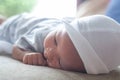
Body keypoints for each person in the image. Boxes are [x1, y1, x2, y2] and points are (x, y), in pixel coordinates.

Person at [0, 13, 120, 74]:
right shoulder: (42, 35)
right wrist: (24, 54)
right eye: (55, 41)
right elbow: (16, 47)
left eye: (60, 61)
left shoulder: (63, 39)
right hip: (16, 25)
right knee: (3, 24)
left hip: (27, 19)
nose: (49, 52)